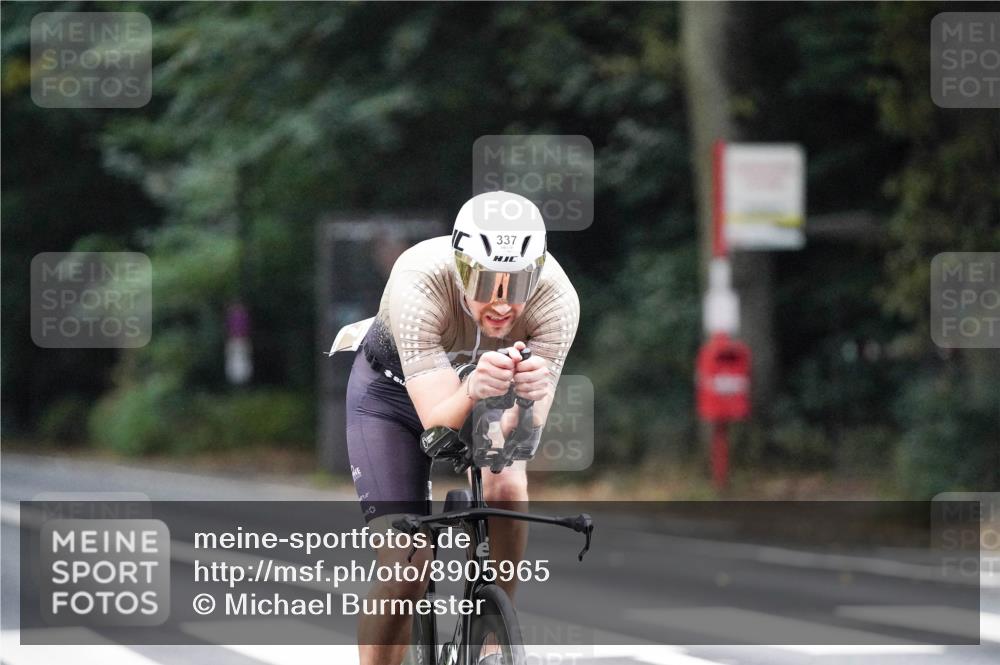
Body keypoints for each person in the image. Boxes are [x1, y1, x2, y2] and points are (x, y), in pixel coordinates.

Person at [341, 190, 579, 665]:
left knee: (508, 483)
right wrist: (472, 391)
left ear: (537, 274)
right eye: (485, 279)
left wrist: (529, 397)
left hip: (488, 388)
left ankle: (495, 636)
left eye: (515, 284)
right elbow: (436, 432)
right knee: (406, 567)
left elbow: (521, 439)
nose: (499, 304)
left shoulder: (557, 300)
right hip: (392, 400)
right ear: (458, 266)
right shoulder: (418, 281)